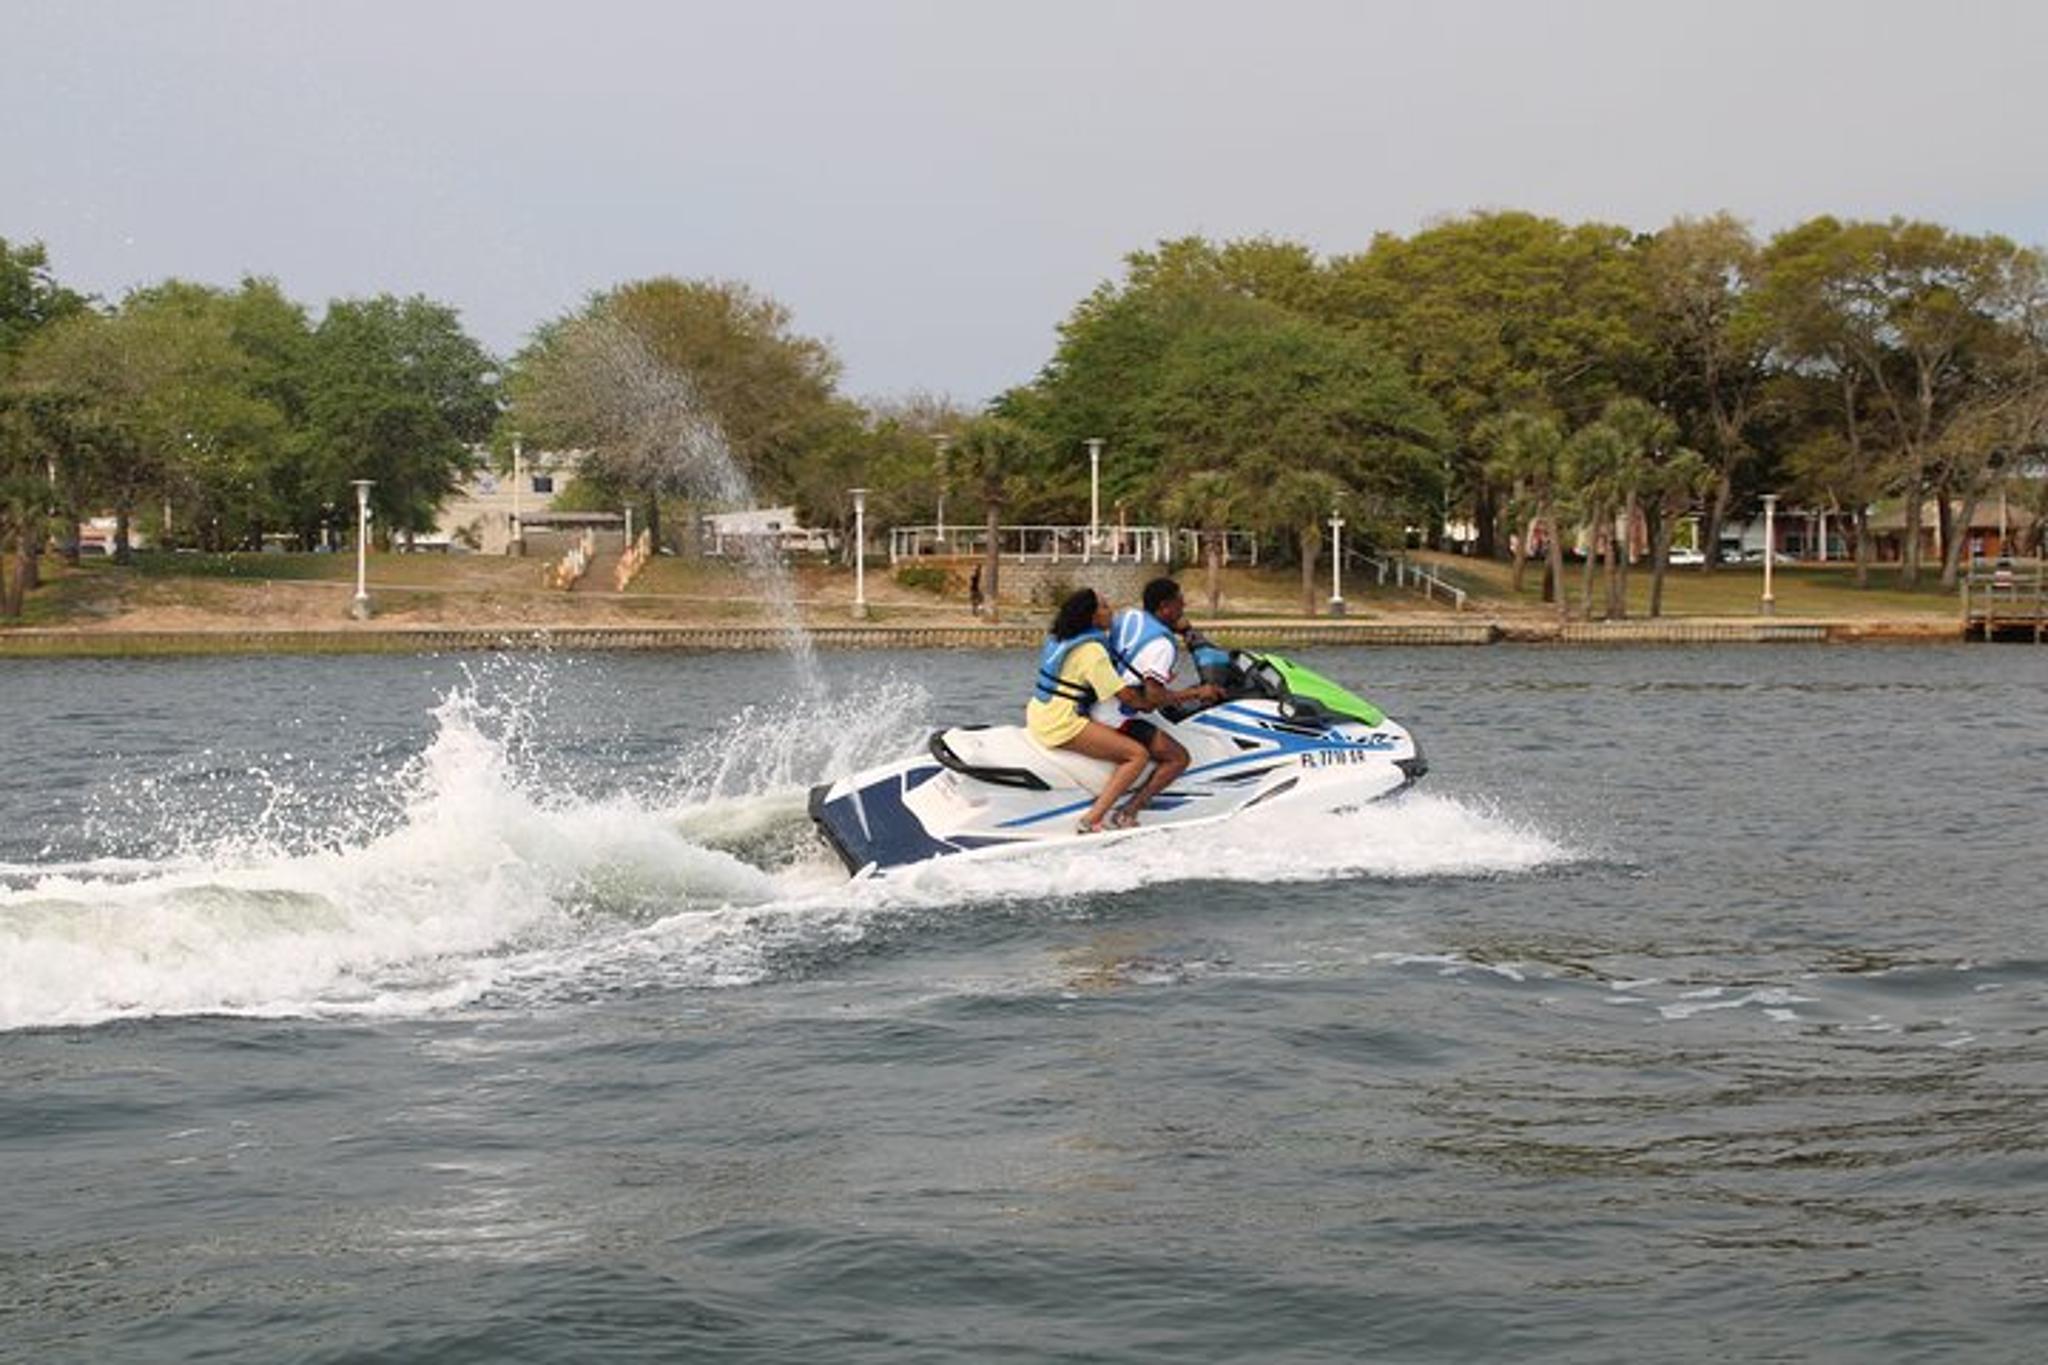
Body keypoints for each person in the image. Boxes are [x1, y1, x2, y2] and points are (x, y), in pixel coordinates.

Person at [1090, 577, 1223, 826]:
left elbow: (1136, 651)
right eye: (1179, 601)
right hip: (1116, 717)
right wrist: (1197, 693)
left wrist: (1184, 629)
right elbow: (1154, 698)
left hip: (1096, 704)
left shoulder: (1129, 616)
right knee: (1178, 757)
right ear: (1165, 607)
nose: (1184, 605)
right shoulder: (1162, 645)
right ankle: (1129, 812)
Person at [1026, 588, 1152, 834]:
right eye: (1105, 607)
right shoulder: (1092, 652)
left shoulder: (1059, 637)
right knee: (1137, 755)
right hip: (1061, 723)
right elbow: (1125, 696)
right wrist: (1155, 700)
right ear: (1092, 616)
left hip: (1039, 712)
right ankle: (1092, 819)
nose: (1110, 611)